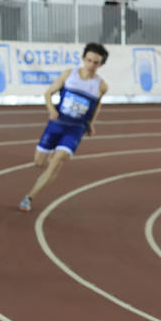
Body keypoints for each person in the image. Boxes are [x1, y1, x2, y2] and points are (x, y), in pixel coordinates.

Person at [18, 43, 109, 212]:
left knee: (57, 161)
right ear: (83, 59)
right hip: (56, 124)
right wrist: (52, 110)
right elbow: (48, 93)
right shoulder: (69, 74)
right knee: (39, 162)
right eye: (89, 60)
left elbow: (97, 105)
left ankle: (28, 198)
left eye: (96, 63)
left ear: (101, 65)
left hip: (76, 129)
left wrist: (91, 123)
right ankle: (53, 158)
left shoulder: (101, 86)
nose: (91, 65)